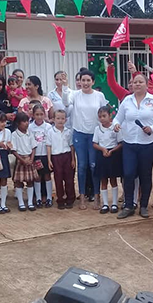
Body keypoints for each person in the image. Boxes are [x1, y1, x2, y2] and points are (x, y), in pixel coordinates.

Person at [114, 74, 153, 219]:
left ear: (146, 84)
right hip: (130, 143)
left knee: (145, 175)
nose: (137, 84)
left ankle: (143, 205)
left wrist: (152, 127)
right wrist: (116, 125)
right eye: (134, 82)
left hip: (148, 144)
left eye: (140, 82)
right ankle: (128, 205)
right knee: (129, 174)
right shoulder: (127, 100)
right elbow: (117, 118)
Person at [62, 70, 109, 210]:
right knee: (82, 166)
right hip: (79, 134)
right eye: (83, 80)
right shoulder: (75, 94)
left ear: (93, 82)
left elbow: (104, 112)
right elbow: (65, 102)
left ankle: (96, 195)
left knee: (93, 165)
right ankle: (82, 196)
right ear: (79, 81)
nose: (86, 83)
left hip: (94, 136)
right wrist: (65, 87)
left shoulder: (99, 95)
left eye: (89, 80)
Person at [92, 105, 123, 214]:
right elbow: (94, 143)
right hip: (102, 155)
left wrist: (112, 151)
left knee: (113, 179)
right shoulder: (97, 128)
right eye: (100, 116)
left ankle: (114, 203)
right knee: (103, 180)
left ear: (110, 116)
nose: (102, 118)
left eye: (104, 116)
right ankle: (105, 204)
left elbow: (120, 143)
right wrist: (102, 149)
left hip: (113, 155)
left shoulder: (115, 128)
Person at [47, 109, 76, 209]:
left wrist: (73, 159)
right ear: (53, 119)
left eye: (62, 118)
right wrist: (49, 160)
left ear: (66, 120)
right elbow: (48, 146)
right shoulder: (50, 132)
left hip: (67, 156)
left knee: (69, 179)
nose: (60, 120)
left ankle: (70, 198)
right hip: (56, 157)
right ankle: (60, 199)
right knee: (58, 179)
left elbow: (72, 146)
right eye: (58, 118)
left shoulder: (68, 132)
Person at [11, 112, 39, 211]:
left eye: (27, 121)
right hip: (20, 160)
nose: (26, 123)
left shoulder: (30, 133)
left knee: (30, 181)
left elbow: (34, 147)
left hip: (29, 159)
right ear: (18, 123)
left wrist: (31, 159)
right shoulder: (14, 135)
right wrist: (22, 160)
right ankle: (21, 202)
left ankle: (30, 202)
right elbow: (13, 150)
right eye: (23, 121)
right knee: (19, 182)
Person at [29, 104, 53, 208]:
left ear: (44, 114)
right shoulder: (30, 127)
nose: (39, 117)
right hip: (35, 155)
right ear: (33, 115)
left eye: (41, 114)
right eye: (37, 114)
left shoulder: (48, 127)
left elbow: (50, 142)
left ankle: (49, 197)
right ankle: (38, 198)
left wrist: (49, 158)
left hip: (45, 155)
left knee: (47, 176)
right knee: (37, 177)